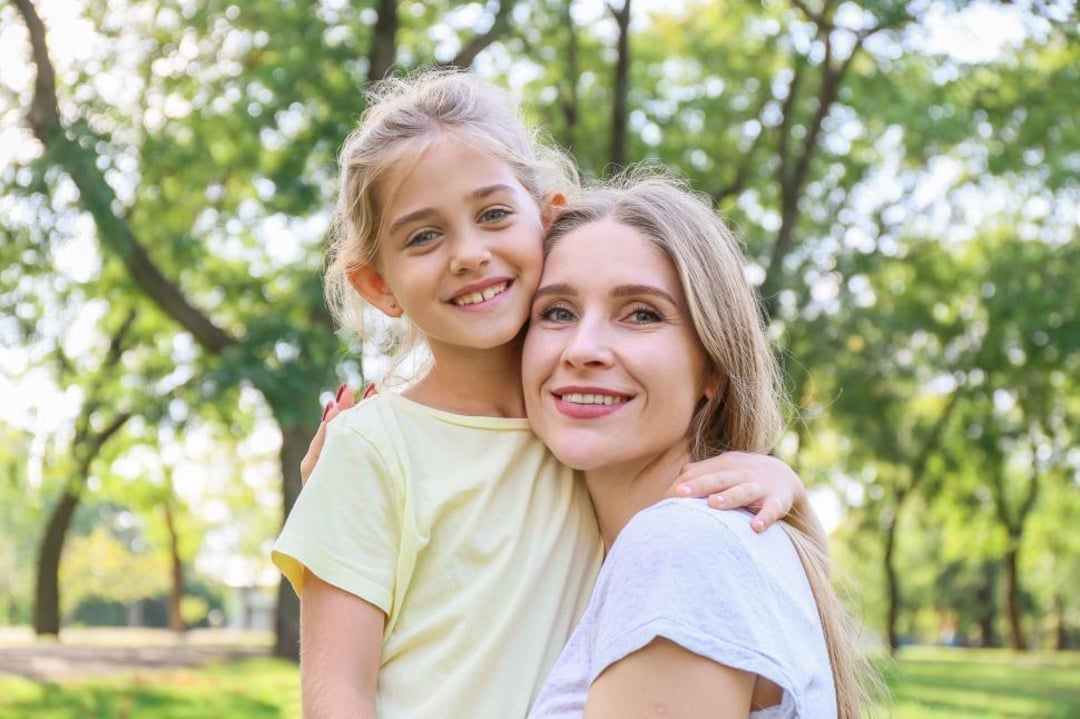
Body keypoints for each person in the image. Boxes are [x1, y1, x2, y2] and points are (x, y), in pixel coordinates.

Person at [272, 69, 820, 719]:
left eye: (494, 214)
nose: (470, 253)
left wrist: (779, 480)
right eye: (424, 235)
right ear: (378, 284)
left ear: (546, 218)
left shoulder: (576, 436)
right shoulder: (376, 446)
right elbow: (337, 697)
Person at [523, 172, 875, 718]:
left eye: (641, 313)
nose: (583, 348)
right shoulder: (607, 560)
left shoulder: (678, 548)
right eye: (557, 312)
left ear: (711, 366)